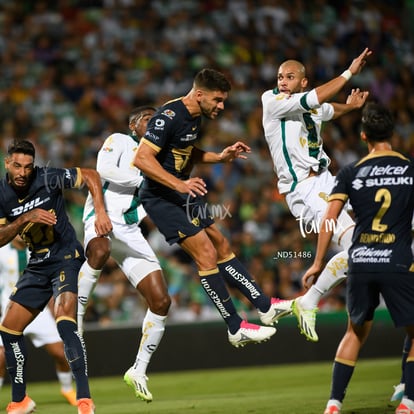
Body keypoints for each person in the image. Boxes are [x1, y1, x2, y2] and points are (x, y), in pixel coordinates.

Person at [134, 67, 287, 348]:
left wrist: (219, 157)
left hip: (182, 192)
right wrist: (178, 185)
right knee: (205, 251)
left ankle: (265, 306)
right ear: (199, 94)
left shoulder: (194, 117)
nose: (221, 106)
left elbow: (184, 152)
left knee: (221, 243)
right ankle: (235, 325)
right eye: (217, 100)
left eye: (223, 100)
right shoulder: (168, 116)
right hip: (160, 196)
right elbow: (142, 159)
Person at [301, 102, 414, 414]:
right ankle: (408, 402)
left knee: (354, 332)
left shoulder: (351, 172)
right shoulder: (408, 169)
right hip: (398, 259)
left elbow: (328, 219)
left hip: (361, 261)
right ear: (393, 132)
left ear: (363, 135)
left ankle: (334, 403)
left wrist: (318, 261)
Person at [261, 47, 372, 342]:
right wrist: (349, 73)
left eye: (289, 76)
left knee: (361, 250)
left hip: (326, 180)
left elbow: (328, 110)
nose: (282, 81)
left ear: (303, 81)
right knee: (358, 247)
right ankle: (311, 298)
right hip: (304, 188)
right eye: (279, 76)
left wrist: (351, 107)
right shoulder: (272, 101)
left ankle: (308, 300)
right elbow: (318, 100)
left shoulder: (309, 107)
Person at [0, 140, 112, 414]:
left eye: (27, 167)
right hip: (37, 264)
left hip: (65, 256)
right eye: (17, 165)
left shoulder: (48, 177)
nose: (23, 172)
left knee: (65, 322)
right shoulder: (2, 195)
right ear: (6, 163)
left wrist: (100, 209)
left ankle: (84, 399)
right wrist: (24, 218)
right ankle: (20, 400)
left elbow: (91, 175)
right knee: (9, 330)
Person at [77, 105, 171, 403]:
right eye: (147, 119)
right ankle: (76, 318)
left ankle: (139, 369)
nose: (153, 123)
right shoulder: (119, 140)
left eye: (156, 121)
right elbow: (102, 170)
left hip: (131, 232)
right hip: (101, 217)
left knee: (161, 300)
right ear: (133, 125)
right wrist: (147, 178)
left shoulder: (161, 159)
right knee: (100, 249)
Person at [0, 235, 76, 406]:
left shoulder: (38, 249)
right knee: (1, 356)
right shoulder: (2, 250)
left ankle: (67, 389)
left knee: (61, 353)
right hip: (9, 309)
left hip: (37, 309)